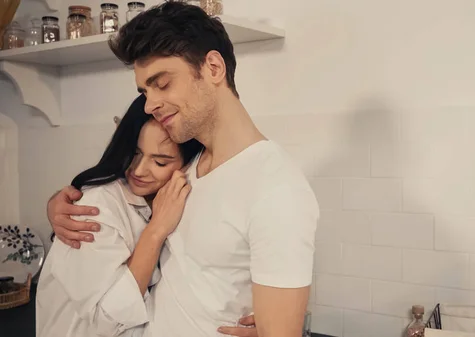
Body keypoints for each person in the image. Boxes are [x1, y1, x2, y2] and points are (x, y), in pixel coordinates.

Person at [46, 1, 319, 337]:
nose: (150, 104)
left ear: (214, 68)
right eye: (145, 91)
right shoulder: (187, 167)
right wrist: (58, 205)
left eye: (162, 84)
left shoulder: (276, 189)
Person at [37, 94, 201, 336]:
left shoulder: (170, 199)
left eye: (160, 162)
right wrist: (155, 231)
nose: (140, 170)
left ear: (187, 165)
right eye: (134, 153)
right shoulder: (96, 205)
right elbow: (108, 319)